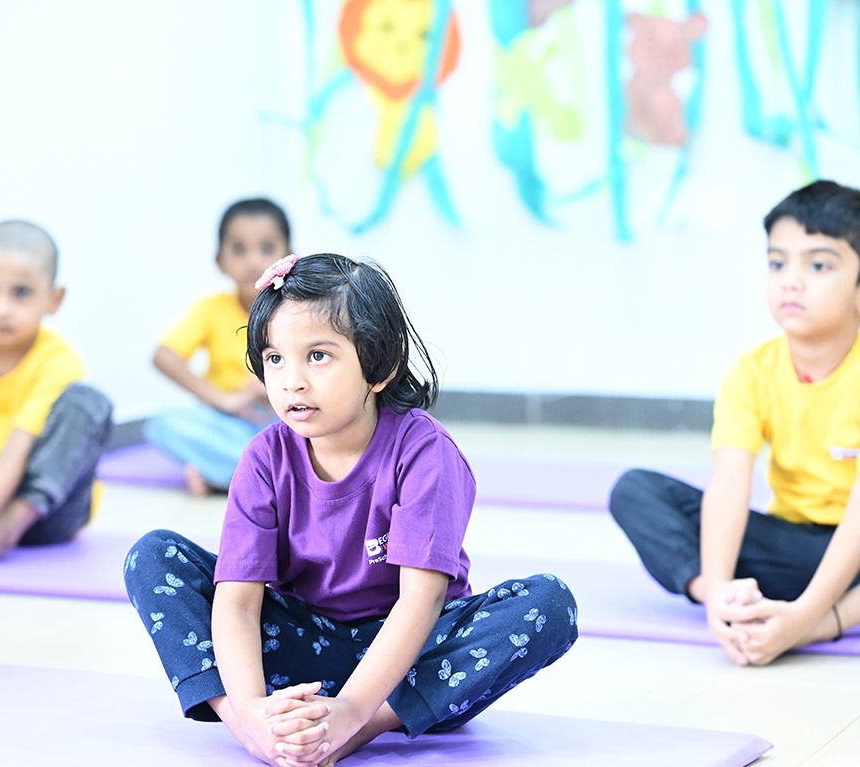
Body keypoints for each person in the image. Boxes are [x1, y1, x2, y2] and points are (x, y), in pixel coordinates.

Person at [125, 253, 578, 766]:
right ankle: (258, 727)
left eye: (318, 356)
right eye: (275, 359)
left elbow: (420, 603)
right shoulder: (263, 457)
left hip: (416, 663)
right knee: (153, 555)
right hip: (302, 646)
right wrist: (252, 715)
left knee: (549, 603)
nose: (292, 381)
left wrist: (348, 717)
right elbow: (238, 601)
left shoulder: (424, 453)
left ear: (378, 365)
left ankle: (359, 729)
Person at [610, 179, 860, 666]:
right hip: (790, 550)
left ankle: (833, 619)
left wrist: (806, 622)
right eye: (778, 262)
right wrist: (720, 594)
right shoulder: (752, 371)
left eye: (819, 264)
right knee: (635, 491)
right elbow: (729, 487)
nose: (792, 280)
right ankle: (727, 599)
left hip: (853, 557)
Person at [0, 220, 113, 569]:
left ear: (54, 299)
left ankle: (3, 533)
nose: (0, 308)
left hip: (43, 510)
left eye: (20, 293)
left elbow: (19, 445)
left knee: (88, 402)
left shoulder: (57, 358)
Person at [145, 198, 290, 495]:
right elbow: (163, 356)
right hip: (227, 425)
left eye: (266, 248)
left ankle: (232, 476)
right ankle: (263, 478)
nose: (253, 261)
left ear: (288, 256)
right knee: (162, 424)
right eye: (239, 249)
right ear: (219, 261)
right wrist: (222, 399)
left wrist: (272, 385)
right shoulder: (211, 309)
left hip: (283, 420)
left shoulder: (296, 309)